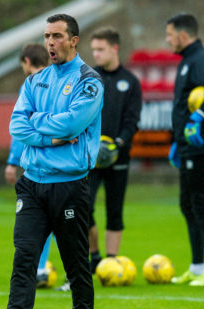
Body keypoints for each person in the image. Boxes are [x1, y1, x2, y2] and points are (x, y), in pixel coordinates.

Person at [0, 14, 103, 309]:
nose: (50, 42)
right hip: (33, 186)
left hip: (69, 186)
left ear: (74, 40)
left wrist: (40, 127)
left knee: (76, 265)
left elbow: (74, 123)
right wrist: (51, 137)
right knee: (24, 259)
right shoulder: (35, 82)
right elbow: (16, 127)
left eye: (57, 36)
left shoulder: (89, 81)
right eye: (47, 36)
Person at [56, 27, 141, 293]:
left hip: (117, 157)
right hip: (89, 158)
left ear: (114, 48)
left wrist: (118, 144)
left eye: (100, 49)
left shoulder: (131, 81)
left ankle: (112, 263)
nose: (95, 54)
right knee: (84, 208)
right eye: (93, 49)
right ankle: (93, 259)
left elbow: (132, 120)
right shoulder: (88, 78)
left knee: (115, 211)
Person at [4, 43, 53, 288]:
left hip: (37, 162)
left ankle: (38, 269)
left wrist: (13, 162)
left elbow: (21, 130)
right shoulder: (59, 80)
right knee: (63, 220)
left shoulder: (31, 85)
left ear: (26, 61)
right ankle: (49, 269)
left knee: (35, 219)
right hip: (64, 162)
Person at [166, 14, 204, 286]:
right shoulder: (186, 62)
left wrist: (200, 117)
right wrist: (177, 140)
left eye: (169, 35)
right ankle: (196, 266)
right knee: (187, 205)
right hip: (185, 147)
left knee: (201, 206)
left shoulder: (201, 60)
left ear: (182, 35)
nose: (167, 40)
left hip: (200, 148)